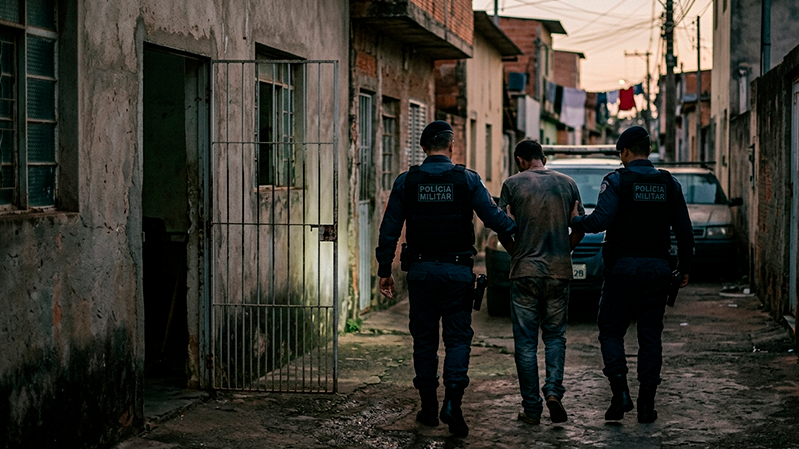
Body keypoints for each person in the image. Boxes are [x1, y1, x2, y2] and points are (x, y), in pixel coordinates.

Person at [375, 120, 516, 437]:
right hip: (457, 274)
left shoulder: (406, 182)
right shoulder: (467, 180)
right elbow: (494, 219)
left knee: (424, 342)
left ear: (423, 148)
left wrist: (385, 270)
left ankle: (427, 409)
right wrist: (516, 227)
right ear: (451, 146)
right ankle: (452, 403)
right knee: (457, 340)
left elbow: (390, 230)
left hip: (422, 275)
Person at [570, 126, 694, 424]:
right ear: (648, 151)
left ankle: (620, 394)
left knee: (611, 329)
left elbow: (600, 221)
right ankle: (646, 407)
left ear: (625, 152)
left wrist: (575, 218)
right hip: (657, 270)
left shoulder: (617, 181)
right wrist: (684, 268)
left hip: (623, 270)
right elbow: (684, 230)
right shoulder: (669, 183)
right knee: (650, 337)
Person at [497, 139, 585, 425]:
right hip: (559, 271)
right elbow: (580, 226)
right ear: (542, 158)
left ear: (521, 159)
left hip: (524, 272)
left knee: (525, 343)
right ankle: (554, 392)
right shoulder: (568, 183)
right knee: (555, 336)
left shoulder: (512, 184)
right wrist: (564, 249)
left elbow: (503, 229)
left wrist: (518, 255)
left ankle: (532, 409)